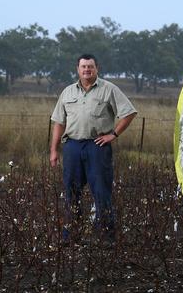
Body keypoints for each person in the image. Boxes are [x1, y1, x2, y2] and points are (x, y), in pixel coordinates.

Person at [50, 54, 137, 247]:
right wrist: (54, 150)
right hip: (72, 146)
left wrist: (113, 134)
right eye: (83, 67)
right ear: (77, 69)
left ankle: (105, 236)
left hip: (97, 147)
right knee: (71, 192)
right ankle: (71, 235)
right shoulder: (67, 92)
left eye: (90, 66)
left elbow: (129, 113)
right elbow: (58, 122)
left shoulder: (109, 89)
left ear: (97, 68)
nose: (87, 70)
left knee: (101, 191)